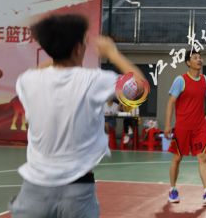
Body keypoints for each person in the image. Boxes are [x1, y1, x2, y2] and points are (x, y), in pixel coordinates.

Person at [10, 14, 145, 217]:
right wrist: (113, 53)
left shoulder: (27, 80)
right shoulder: (95, 80)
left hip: (33, 190)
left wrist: (57, 47)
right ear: (77, 48)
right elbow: (139, 87)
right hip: (77, 190)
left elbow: (42, 69)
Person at [164, 50, 206, 204]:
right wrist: (168, 124)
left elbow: (199, 103)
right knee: (177, 158)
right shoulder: (180, 80)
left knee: (203, 157)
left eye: (200, 57)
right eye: (195, 58)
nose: (199, 59)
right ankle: (172, 190)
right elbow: (170, 103)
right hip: (183, 127)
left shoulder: (205, 80)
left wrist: (204, 120)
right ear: (188, 63)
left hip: (199, 127)